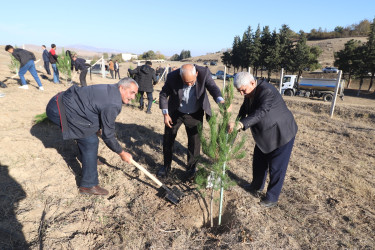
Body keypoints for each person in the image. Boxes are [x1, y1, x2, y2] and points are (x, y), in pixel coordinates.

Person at [45, 78, 139, 195]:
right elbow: (108, 135)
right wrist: (121, 153)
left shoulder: (111, 89)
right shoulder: (113, 103)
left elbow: (95, 110)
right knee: (90, 141)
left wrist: (98, 129)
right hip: (59, 109)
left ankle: (89, 159)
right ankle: (88, 186)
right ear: (121, 88)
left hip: (60, 100)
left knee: (88, 133)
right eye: (132, 92)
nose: (133, 97)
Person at [228, 72, 298, 208]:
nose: (241, 94)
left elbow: (261, 111)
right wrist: (232, 134)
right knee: (259, 161)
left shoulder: (267, 91)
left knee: (277, 167)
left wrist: (241, 124)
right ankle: (256, 186)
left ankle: (272, 198)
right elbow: (243, 112)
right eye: (239, 91)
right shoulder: (249, 93)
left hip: (281, 132)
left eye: (243, 90)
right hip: (264, 134)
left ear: (253, 83)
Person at [158, 64, 225, 180]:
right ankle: (166, 167)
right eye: (186, 82)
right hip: (175, 112)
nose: (189, 84)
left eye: (191, 82)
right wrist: (165, 113)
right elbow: (163, 94)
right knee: (168, 139)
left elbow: (213, 88)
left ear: (196, 74)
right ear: (180, 76)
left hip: (195, 113)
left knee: (194, 142)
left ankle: (191, 169)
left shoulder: (204, 73)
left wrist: (221, 100)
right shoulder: (172, 76)